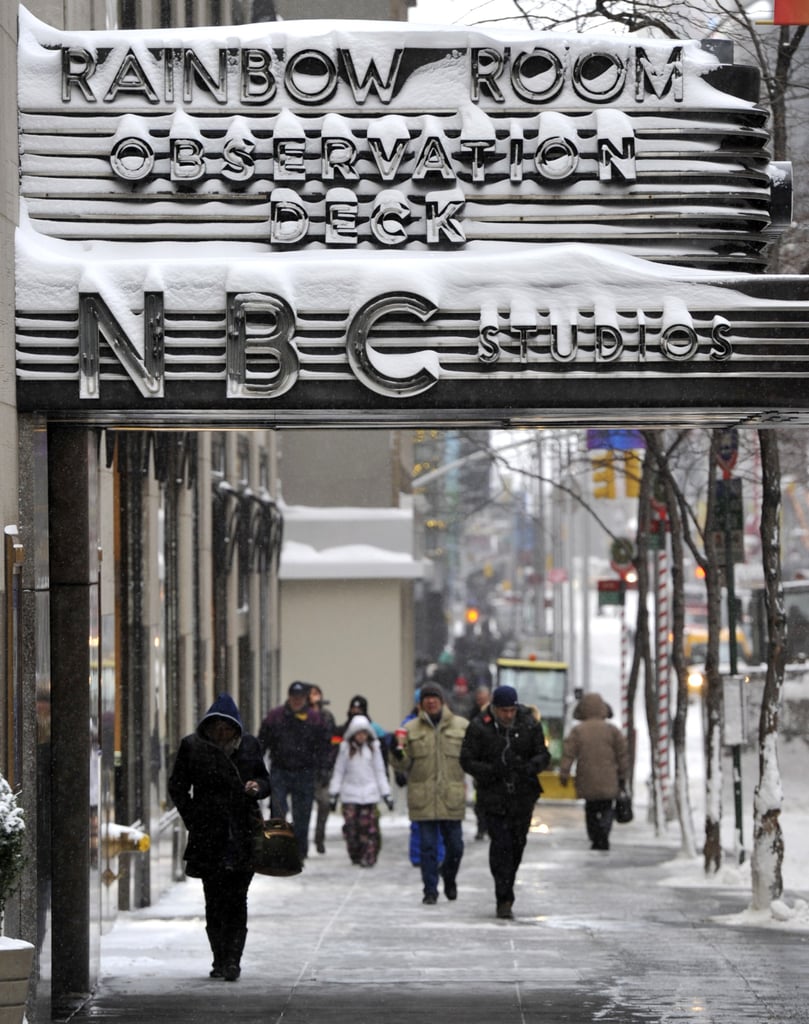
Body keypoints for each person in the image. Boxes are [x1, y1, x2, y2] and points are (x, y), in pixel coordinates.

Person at [168, 693, 270, 982]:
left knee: (237, 900)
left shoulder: (249, 746)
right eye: (218, 727)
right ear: (209, 726)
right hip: (208, 834)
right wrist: (194, 818)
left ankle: (233, 961)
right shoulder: (193, 747)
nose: (223, 732)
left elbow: (265, 781)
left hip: (242, 832)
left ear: (236, 728)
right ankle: (219, 959)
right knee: (213, 900)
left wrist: (256, 788)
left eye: (228, 727)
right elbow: (177, 786)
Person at [460, 684, 550, 920]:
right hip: (494, 795)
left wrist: (529, 767)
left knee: (517, 844)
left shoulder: (528, 723)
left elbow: (543, 754)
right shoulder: (480, 726)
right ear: (495, 709)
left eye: (511, 710)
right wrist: (492, 770)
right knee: (500, 845)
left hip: (522, 794)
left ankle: (508, 881)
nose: (508, 715)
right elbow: (467, 760)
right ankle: (503, 895)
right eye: (504, 711)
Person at [393, 681, 468, 905]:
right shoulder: (410, 729)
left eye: (435, 698)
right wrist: (395, 752)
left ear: (442, 701)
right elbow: (402, 764)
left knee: (455, 846)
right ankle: (430, 890)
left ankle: (450, 876)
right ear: (421, 703)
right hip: (422, 796)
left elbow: (471, 758)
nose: (431, 702)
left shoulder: (461, 726)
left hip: (450, 796)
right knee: (427, 848)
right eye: (427, 699)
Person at [259, 681, 331, 861]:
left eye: (300, 698)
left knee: (303, 813)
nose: (297, 701)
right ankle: (278, 850)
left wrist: (323, 769)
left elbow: (323, 746)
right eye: (294, 698)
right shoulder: (275, 717)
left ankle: (299, 851)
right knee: (278, 811)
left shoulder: (314, 719)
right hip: (280, 769)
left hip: (304, 771)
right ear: (289, 697)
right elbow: (262, 741)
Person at [558, 691, 630, 852]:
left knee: (590, 809)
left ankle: (595, 836)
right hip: (609, 778)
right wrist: (623, 775)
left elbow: (568, 754)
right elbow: (622, 754)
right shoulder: (612, 730)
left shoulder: (578, 731)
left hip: (586, 778)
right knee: (606, 808)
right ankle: (604, 833)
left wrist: (564, 773)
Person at [328, 714, 394, 867]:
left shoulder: (373, 749)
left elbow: (379, 772)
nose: (361, 736)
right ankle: (355, 853)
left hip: (369, 795)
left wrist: (386, 793)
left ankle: (368, 856)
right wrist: (334, 793)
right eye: (359, 733)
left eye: (364, 733)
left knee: (368, 829)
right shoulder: (345, 749)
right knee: (351, 829)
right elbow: (339, 772)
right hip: (350, 795)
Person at [308, 684, 338, 855]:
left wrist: (328, 763)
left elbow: (333, 742)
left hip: (322, 768)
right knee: (302, 808)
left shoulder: (326, 717)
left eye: (317, 693)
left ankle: (320, 837)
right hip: (304, 768)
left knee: (324, 804)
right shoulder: (300, 716)